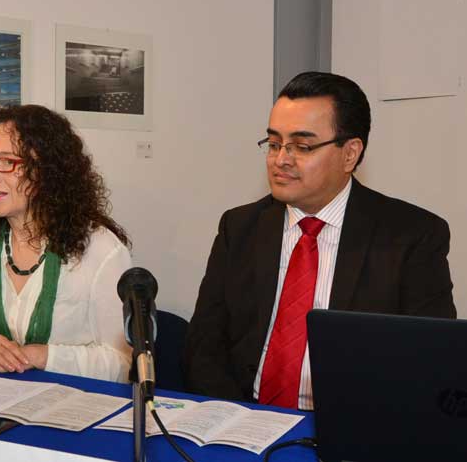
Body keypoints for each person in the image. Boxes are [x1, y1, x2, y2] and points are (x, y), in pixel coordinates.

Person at [184, 71, 455, 410]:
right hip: (244, 416)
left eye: (302, 146)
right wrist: (237, 418)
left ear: (350, 154)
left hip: (351, 424)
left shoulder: (411, 237)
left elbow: (430, 363)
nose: (281, 159)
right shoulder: (239, 227)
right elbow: (204, 345)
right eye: (274, 143)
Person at [0, 104, 132, 382]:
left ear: (46, 170)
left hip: (72, 401)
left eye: (7, 162)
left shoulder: (101, 250)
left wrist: (38, 356)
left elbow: (123, 363)